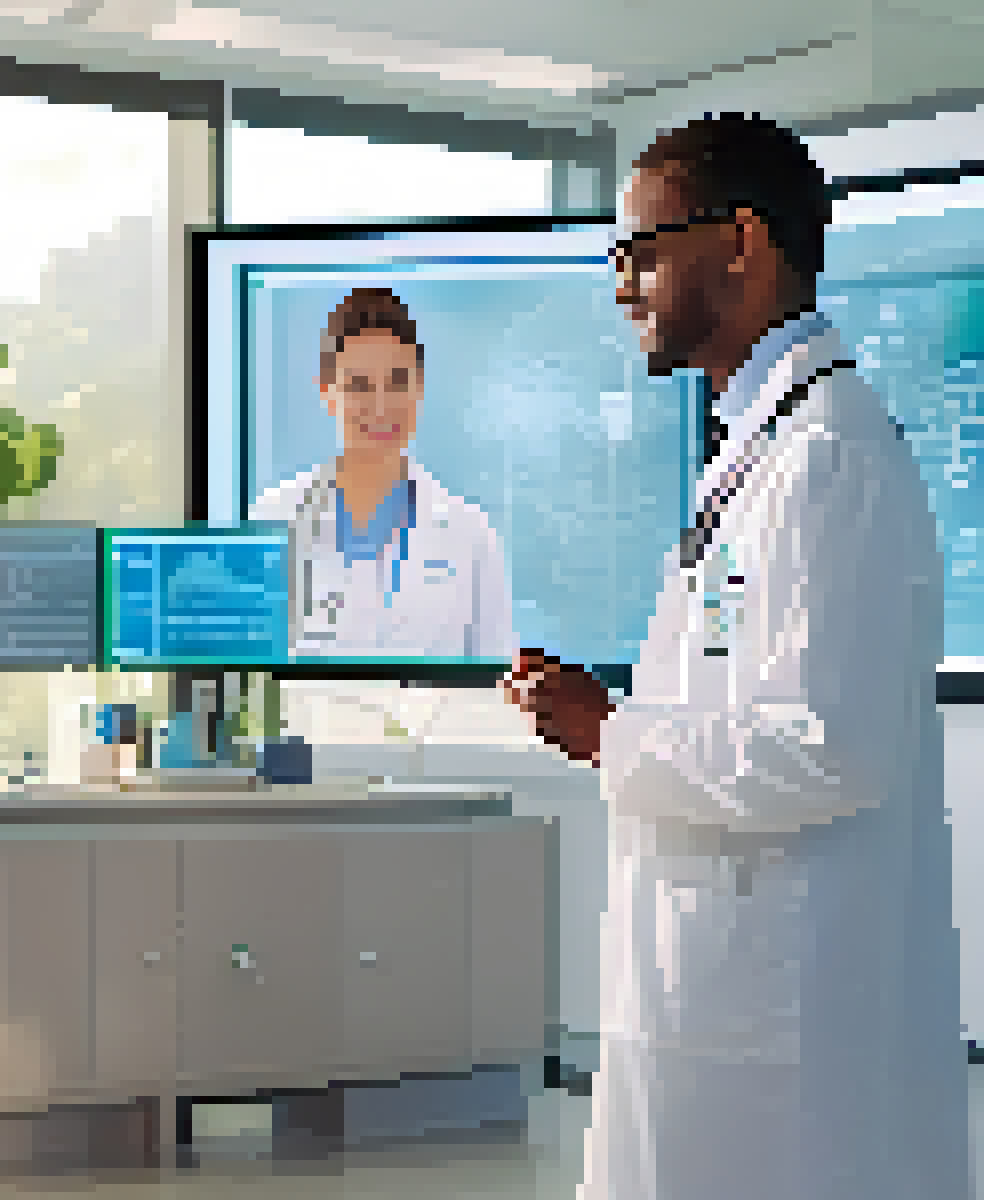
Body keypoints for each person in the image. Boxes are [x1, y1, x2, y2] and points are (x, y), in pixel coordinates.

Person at [507, 113, 968, 1200]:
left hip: (784, 1021)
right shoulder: (766, 447)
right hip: (724, 993)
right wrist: (612, 725)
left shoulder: (831, 457)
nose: (624, 286)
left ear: (742, 244)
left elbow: (828, 748)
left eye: (642, 251)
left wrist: (609, 731)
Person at [251, 287, 516, 659]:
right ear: (329, 393)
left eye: (398, 382)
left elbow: (497, 681)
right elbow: (245, 678)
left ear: (419, 390)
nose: (380, 405)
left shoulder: (469, 535)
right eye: (359, 386)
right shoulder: (271, 520)